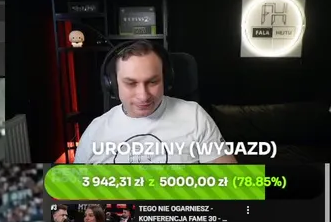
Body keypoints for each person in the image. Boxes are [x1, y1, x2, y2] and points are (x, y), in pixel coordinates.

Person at [73, 40, 236, 164]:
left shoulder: (194, 116)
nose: (143, 96)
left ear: (166, 80)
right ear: (113, 85)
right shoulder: (96, 130)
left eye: (153, 82)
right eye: (131, 83)